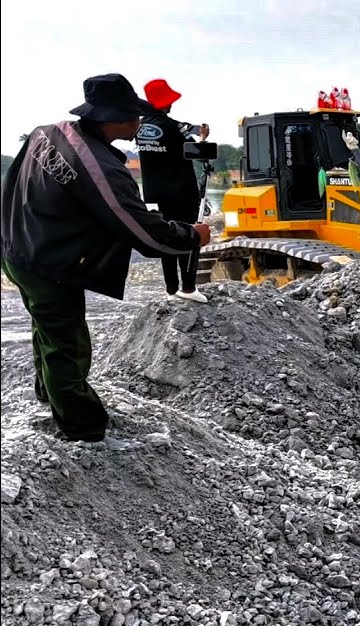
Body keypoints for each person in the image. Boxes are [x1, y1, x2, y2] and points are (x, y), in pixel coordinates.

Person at [1, 73, 211, 442]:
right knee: (68, 344)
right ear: (113, 119)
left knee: (46, 326)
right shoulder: (99, 167)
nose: (139, 123)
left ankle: (47, 394)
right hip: (47, 262)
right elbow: (142, 231)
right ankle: (84, 428)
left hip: (17, 246)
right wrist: (192, 236)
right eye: (134, 116)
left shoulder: (46, 133)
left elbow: (15, 182)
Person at [137, 78, 210, 303]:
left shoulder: (139, 127)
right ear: (165, 102)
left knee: (166, 236)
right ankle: (188, 288)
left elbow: (180, 126)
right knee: (191, 235)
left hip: (154, 194)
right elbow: (197, 150)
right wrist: (204, 138)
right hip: (182, 193)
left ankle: (171, 290)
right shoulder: (173, 128)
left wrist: (193, 128)